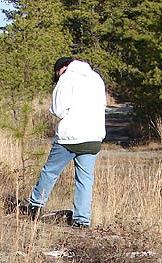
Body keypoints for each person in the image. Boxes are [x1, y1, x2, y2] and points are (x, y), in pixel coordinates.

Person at [28, 57, 107, 228]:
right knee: (85, 179)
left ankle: (35, 207)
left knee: (50, 172)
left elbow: (59, 110)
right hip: (94, 136)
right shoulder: (96, 78)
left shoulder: (67, 78)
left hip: (70, 137)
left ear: (62, 68)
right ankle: (82, 220)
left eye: (57, 74)